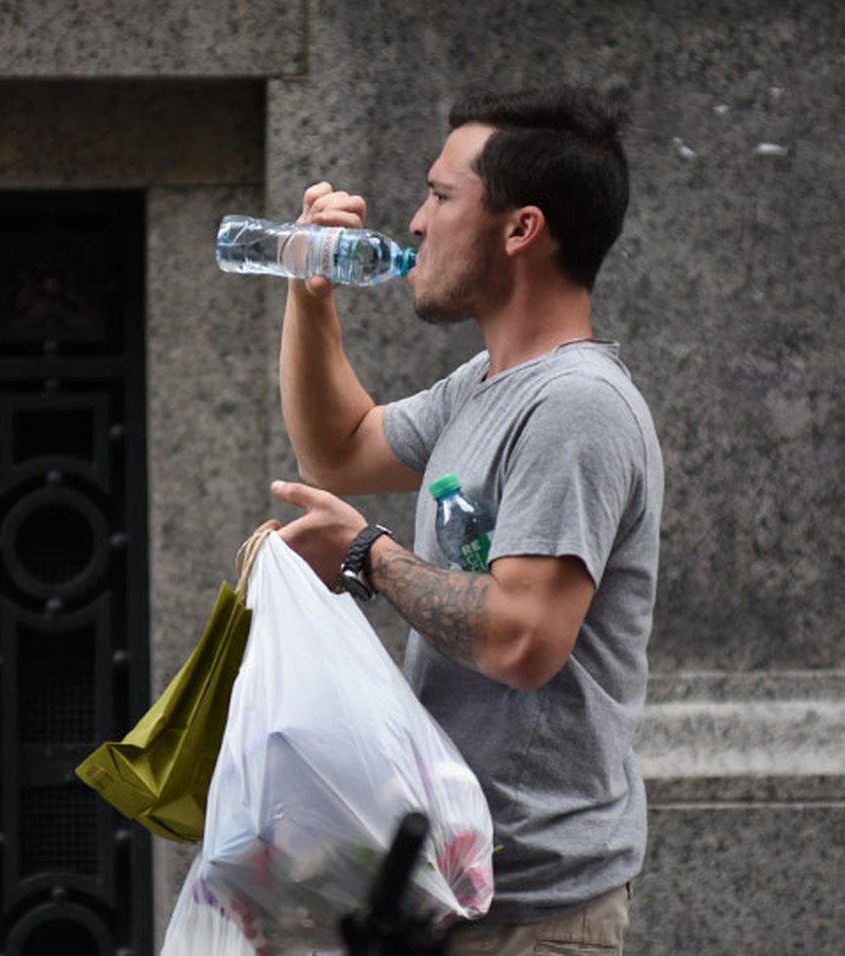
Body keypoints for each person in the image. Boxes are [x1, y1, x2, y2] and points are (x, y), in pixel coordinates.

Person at [268, 87, 664, 955]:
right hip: (453, 889)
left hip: (533, 909)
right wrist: (310, 293)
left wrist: (368, 556)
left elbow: (525, 640)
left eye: (442, 197)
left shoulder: (576, 405)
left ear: (520, 229)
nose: (414, 221)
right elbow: (337, 449)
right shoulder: (484, 384)